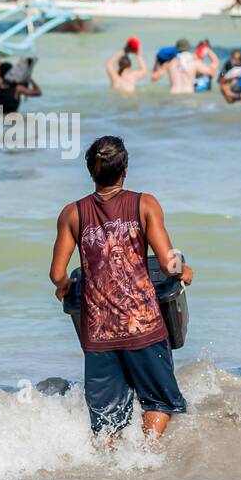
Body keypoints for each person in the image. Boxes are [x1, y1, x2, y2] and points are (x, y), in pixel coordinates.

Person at [49, 136, 191, 441]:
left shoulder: (72, 214)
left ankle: (112, 476)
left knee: (107, 418)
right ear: (124, 169)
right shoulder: (145, 204)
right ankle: (144, 459)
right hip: (143, 326)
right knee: (159, 401)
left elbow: (57, 273)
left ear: (90, 171)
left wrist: (64, 287)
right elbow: (168, 264)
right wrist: (185, 269)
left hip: (99, 333)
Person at [150, 38, 218, 94]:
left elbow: (154, 78)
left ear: (176, 48)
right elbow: (212, 72)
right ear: (188, 48)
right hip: (188, 95)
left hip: (174, 95)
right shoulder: (194, 62)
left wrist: (157, 60)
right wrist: (208, 50)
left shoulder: (169, 63)